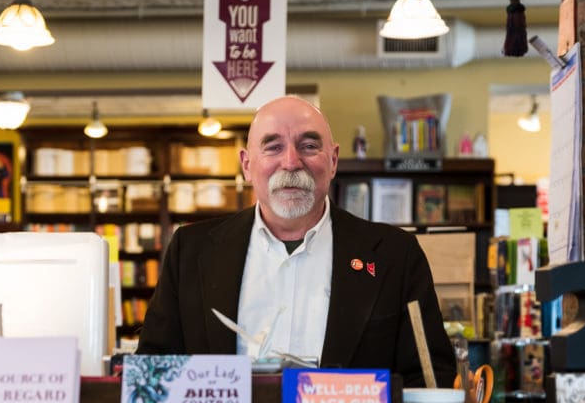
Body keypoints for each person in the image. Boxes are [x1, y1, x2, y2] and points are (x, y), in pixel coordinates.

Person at [136, 95, 455, 387]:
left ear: (333, 161)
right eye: (273, 147)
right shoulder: (190, 251)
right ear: (247, 165)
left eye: (309, 146)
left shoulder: (395, 256)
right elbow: (154, 369)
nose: (291, 162)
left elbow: (429, 378)